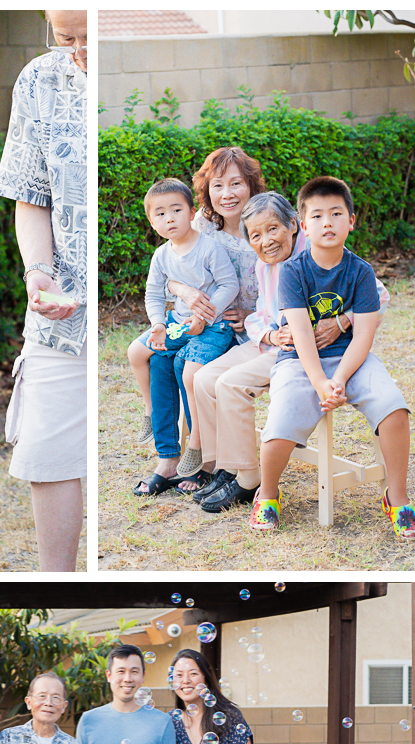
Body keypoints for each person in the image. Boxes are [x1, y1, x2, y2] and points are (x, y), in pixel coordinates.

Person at [191, 190, 390, 513]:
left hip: (302, 353)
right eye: (256, 235)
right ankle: (225, 467)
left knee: (229, 384)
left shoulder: (315, 254)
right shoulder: (264, 265)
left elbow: (379, 296)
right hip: (274, 343)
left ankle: (247, 478)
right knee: (203, 378)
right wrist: (270, 333)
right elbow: (262, 314)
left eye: (273, 230)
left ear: (294, 227)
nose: (267, 240)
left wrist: (340, 321)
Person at [251, 175, 415, 537]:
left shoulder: (361, 272)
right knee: (279, 427)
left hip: (351, 359)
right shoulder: (293, 272)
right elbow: (300, 335)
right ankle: (266, 494)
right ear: (302, 226)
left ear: (352, 220)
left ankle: (398, 498)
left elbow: (363, 335)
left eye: (335, 214)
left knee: (394, 408)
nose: (327, 223)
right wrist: (320, 383)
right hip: (300, 361)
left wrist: (340, 379)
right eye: (316, 216)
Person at [0, 10, 87, 571]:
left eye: (88, 36)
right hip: (59, 307)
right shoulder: (38, 79)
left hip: (138, 306)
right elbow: (31, 195)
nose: (77, 50)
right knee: (47, 448)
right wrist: (37, 272)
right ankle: (58, 580)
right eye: (64, 37)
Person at [160, 146, 265, 494]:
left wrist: (250, 315)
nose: (227, 194)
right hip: (209, 323)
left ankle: (210, 462)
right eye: (218, 186)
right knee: (161, 359)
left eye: (236, 184)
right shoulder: (202, 222)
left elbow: (288, 285)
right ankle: (179, 456)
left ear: (251, 185)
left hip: (252, 331)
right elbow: (167, 270)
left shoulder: (266, 224)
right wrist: (185, 293)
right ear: (207, 192)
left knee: (194, 371)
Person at [130, 178, 238, 496]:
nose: (169, 218)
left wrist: (204, 315)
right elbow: (153, 292)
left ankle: (199, 452)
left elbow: (229, 285)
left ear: (192, 213)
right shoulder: (162, 255)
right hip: (178, 325)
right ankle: (166, 453)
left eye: (176, 210)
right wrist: (158, 324)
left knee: (188, 371)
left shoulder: (208, 248)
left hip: (214, 326)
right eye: (160, 214)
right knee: (151, 360)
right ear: (152, 221)